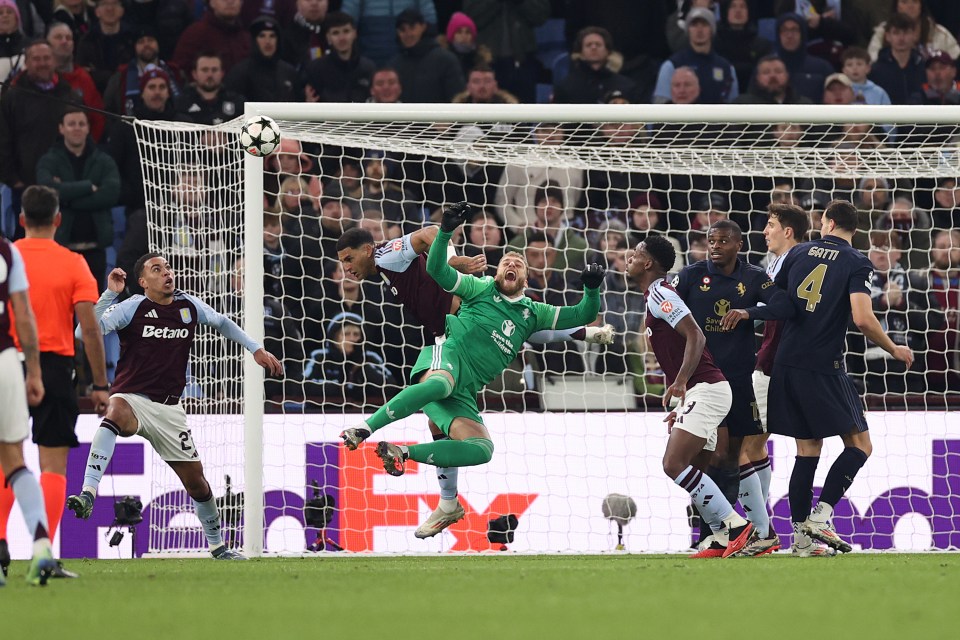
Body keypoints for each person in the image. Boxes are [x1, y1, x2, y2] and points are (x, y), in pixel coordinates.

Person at [336, 220, 613, 537]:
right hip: (445, 353)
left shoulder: (532, 312)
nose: (511, 264)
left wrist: (592, 292)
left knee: (481, 448)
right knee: (439, 385)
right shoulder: (479, 288)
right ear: (494, 274)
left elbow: (575, 316)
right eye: (506, 261)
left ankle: (439, 493)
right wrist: (445, 236)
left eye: (517, 264)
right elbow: (439, 270)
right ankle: (364, 428)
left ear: (527, 279)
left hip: (466, 385)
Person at [721, 200, 914, 553]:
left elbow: (775, 301)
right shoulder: (858, 262)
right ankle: (820, 517)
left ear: (827, 223)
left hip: (784, 363)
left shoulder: (799, 253)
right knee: (861, 445)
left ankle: (801, 540)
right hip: (824, 364)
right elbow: (862, 318)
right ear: (850, 228)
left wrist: (746, 313)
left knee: (807, 449)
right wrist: (893, 347)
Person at [65, 253, 283, 559]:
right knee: (113, 412)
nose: (167, 273)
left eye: (167, 267)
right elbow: (81, 333)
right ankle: (88, 492)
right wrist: (110, 293)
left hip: (170, 411)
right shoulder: (132, 307)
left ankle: (218, 546)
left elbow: (221, 322)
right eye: (157, 269)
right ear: (143, 282)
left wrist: (255, 349)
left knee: (198, 484)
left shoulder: (188, 305)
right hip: (133, 399)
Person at [624, 234, 757, 558]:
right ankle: (718, 535)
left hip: (707, 388)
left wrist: (681, 382)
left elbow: (695, 334)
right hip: (702, 390)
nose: (630, 255)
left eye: (637, 252)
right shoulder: (653, 295)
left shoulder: (660, 293)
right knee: (697, 466)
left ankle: (737, 526)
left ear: (649, 263)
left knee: (673, 463)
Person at [0, 185, 107, 579]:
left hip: (8, 359)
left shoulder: (7, 256)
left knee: (7, 458)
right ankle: (44, 554)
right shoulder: (73, 263)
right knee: (53, 464)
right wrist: (100, 384)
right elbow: (90, 329)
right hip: (56, 367)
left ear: (22, 220)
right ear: (58, 220)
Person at [671, 219, 786, 556]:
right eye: (711, 240)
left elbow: (784, 305)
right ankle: (713, 531)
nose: (715, 246)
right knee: (707, 458)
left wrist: (748, 313)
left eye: (723, 241)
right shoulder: (691, 276)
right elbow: (668, 311)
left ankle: (750, 533)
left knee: (733, 456)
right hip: (704, 381)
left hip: (738, 379)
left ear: (738, 245)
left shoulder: (752, 277)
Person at [748, 203, 834, 556]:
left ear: (788, 231)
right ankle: (765, 533)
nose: (764, 231)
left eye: (770, 225)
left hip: (779, 369)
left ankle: (775, 535)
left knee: (754, 448)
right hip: (774, 367)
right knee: (752, 448)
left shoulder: (796, 260)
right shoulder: (776, 264)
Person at [0, 235, 57, 586]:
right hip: (5, 360)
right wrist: (33, 371)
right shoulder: (7, 249)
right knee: (14, 460)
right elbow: (23, 314)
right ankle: (41, 546)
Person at [36, 108, 121, 291]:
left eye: (81, 124)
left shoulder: (104, 160)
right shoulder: (49, 160)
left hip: (95, 249)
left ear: (88, 128)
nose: (77, 128)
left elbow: (110, 194)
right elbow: (46, 192)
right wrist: (87, 187)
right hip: (62, 248)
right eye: (71, 124)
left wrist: (66, 197)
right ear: (61, 128)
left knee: (94, 308)